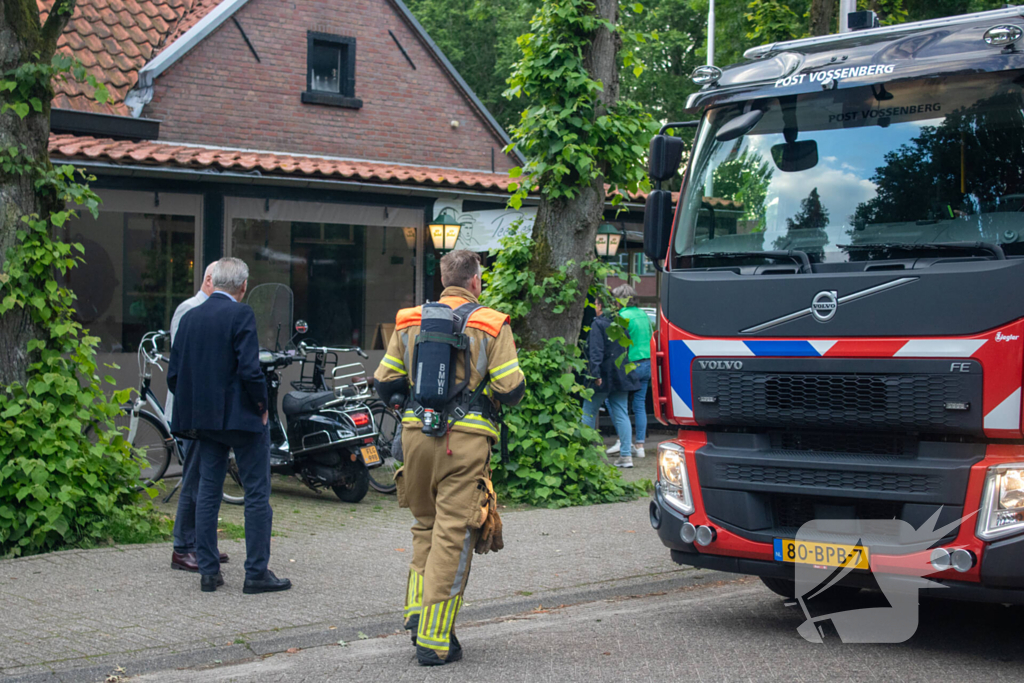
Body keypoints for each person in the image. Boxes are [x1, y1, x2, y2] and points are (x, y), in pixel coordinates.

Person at [374, 250, 525, 666]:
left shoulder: (407, 321)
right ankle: (435, 641)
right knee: (454, 536)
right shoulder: (492, 324)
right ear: (475, 282)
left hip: (415, 439)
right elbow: (511, 388)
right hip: (466, 443)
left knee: (425, 526)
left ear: (443, 280)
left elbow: (385, 385)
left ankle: (416, 615)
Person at [167, 257, 291, 595]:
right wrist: (262, 405)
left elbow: (175, 375)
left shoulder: (190, 318)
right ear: (243, 287)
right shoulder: (241, 314)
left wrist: (198, 405)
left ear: (213, 281)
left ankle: (208, 572)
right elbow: (250, 370)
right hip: (242, 418)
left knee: (208, 491)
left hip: (205, 422)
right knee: (256, 493)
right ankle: (256, 573)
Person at [167, 263, 231, 573]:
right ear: (209, 280)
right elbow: (186, 361)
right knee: (193, 479)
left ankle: (202, 546)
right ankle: (183, 547)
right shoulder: (189, 310)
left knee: (207, 479)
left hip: (206, 412)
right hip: (194, 411)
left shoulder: (210, 310)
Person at [585, 298, 642, 468]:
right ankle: (626, 455)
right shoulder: (620, 324)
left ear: (600, 306)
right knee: (621, 412)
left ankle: (584, 451)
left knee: (588, 411)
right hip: (621, 374)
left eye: (595, 304)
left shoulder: (598, 324)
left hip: (603, 374)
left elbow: (596, 350)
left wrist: (594, 373)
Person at [605, 284, 653, 460]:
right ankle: (640, 445)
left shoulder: (622, 317)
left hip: (630, 365)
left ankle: (623, 439)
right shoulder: (644, 315)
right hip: (647, 363)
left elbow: (616, 343)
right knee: (639, 404)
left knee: (615, 402)